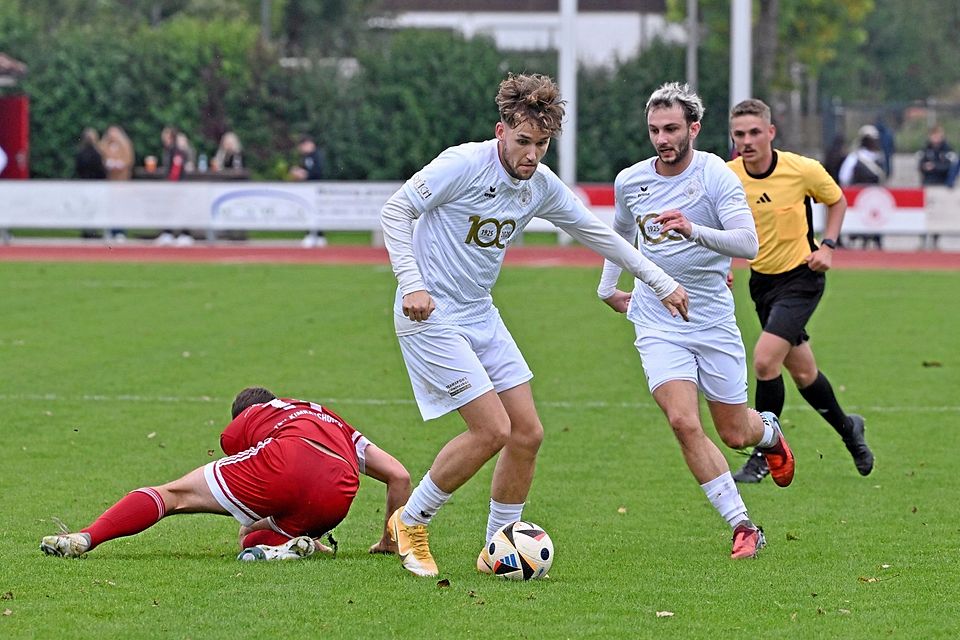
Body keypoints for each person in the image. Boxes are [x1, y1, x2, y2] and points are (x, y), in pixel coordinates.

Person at [379, 72, 689, 578]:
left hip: (479, 311)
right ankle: (410, 522)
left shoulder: (538, 185)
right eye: (523, 141)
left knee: (527, 432)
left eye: (541, 144)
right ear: (501, 131)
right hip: (429, 312)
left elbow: (601, 235)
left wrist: (661, 283)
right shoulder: (463, 164)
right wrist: (411, 283)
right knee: (492, 429)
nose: (532, 155)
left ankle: (499, 546)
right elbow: (396, 210)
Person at [596, 83, 793, 560]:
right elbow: (619, 233)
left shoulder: (715, 178)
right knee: (684, 422)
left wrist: (693, 230)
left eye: (671, 129)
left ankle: (767, 433)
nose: (661, 139)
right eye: (654, 130)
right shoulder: (631, 181)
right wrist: (607, 288)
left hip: (711, 320)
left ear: (694, 129)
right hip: (656, 318)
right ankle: (742, 524)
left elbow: (748, 245)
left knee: (733, 432)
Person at [41, 387, 411, 561]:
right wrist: (389, 540)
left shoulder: (251, 417)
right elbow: (399, 476)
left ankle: (87, 538)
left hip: (285, 461)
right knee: (254, 538)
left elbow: (249, 462)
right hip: (338, 494)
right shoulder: (329, 418)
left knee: (173, 495)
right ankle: (293, 548)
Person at [727, 98, 873, 485]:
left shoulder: (801, 169)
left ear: (771, 133)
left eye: (755, 132)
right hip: (762, 282)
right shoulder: (727, 176)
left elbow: (837, 200)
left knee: (763, 361)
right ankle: (849, 431)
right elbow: (721, 227)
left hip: (802, 278)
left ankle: (763, 454)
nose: (747, 140)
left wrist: (828, 245)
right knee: (804, 372)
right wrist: (723, 265)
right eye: (740, 134)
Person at [838, 124, 886, 249]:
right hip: (859, 195)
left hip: (874, 196)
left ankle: (875, 240)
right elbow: (844, 176)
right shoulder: (855, 157)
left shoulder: (879, 157)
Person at [917, 125, 957, 249]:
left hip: (940, 186)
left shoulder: (947, 150)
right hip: (927, 185)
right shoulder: (925, 150)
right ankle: (922, 240)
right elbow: (920, 166)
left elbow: (950, 167)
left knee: (937, 215)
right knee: (924, 214)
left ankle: (935, 240)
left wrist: (934, 167)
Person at [289, 136, 328, 248]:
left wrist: (304, 174)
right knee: (308, 211)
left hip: (316, 190)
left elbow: (317, 172)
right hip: (308, 191)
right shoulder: (306, 157)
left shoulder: (317, 156)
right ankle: (313, 235)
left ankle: (318, 236)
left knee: (315, 212)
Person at [99, 125, 135, 242]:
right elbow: (102, 158)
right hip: (110, 181)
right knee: (109, 208)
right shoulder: (105, 145)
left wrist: (120, 164)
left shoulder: (125, 145)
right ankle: (110, 231)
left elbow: (128, 160)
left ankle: (120, 231)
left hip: (121, 182)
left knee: (121, 208)